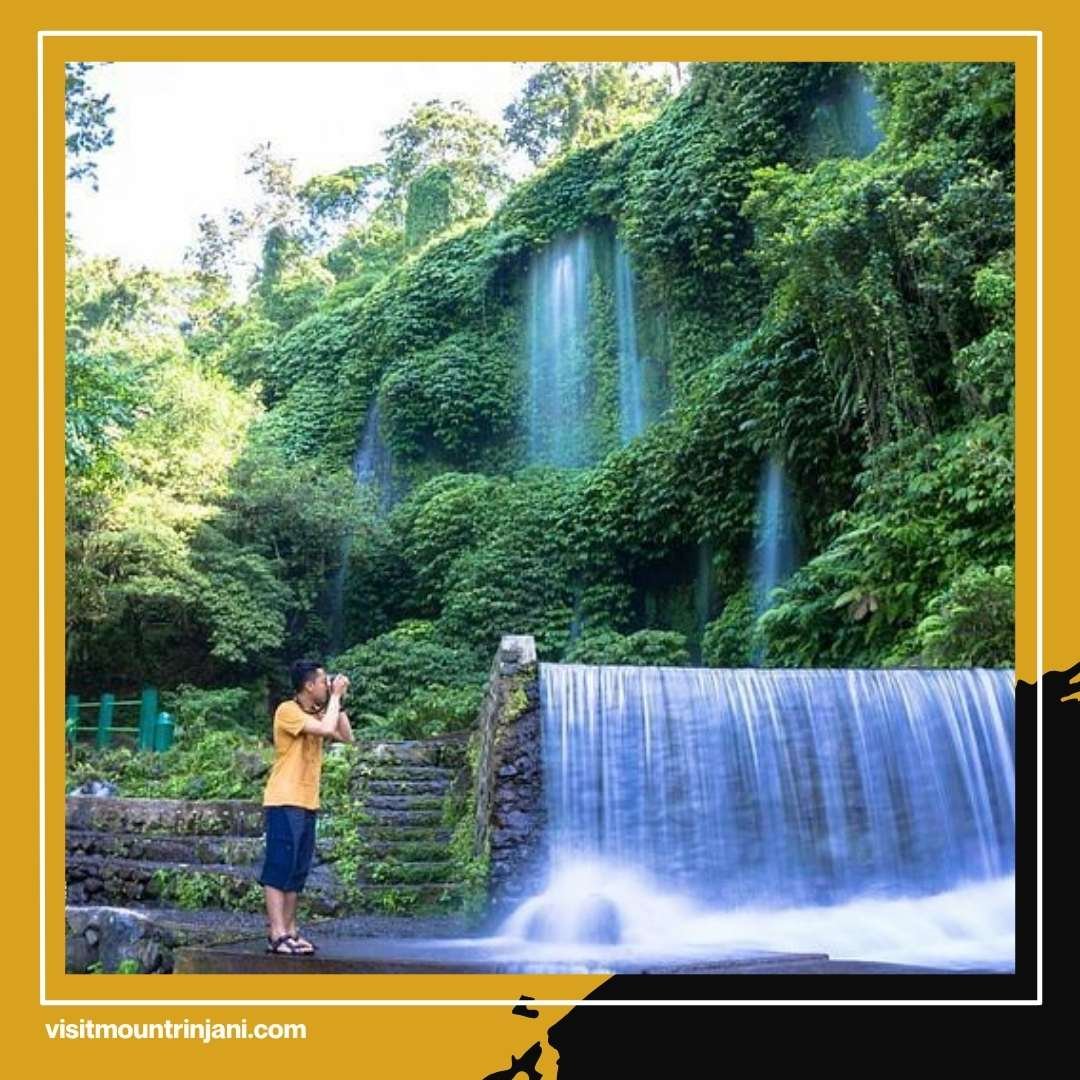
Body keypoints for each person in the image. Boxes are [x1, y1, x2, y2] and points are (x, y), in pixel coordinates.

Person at [258, 659, 354, 956]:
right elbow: (326, 730)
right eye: (323, 681)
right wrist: (334, 698)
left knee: (297, 870)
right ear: (308, 685)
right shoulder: (287, 711)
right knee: (279, 867)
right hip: (284, 799)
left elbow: (346, 736)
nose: (327, 685)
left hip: (307, 801)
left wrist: (338, 702)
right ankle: (276, 934)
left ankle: (290, 930)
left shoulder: (317, 713)